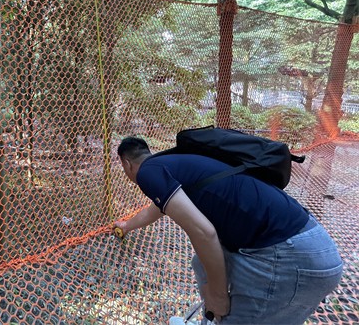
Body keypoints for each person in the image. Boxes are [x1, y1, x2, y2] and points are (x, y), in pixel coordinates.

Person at [115, 136, 343, 325]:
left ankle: (217, 310)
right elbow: (157, 209)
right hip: (310, 243)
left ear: (126, 164)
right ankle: (211, 318)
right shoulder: (170, 163)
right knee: (200, 262)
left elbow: (204, 233)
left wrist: (218, 294)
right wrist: (127, 226)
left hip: (288, 257)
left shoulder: (147, 173)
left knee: (217, 290)